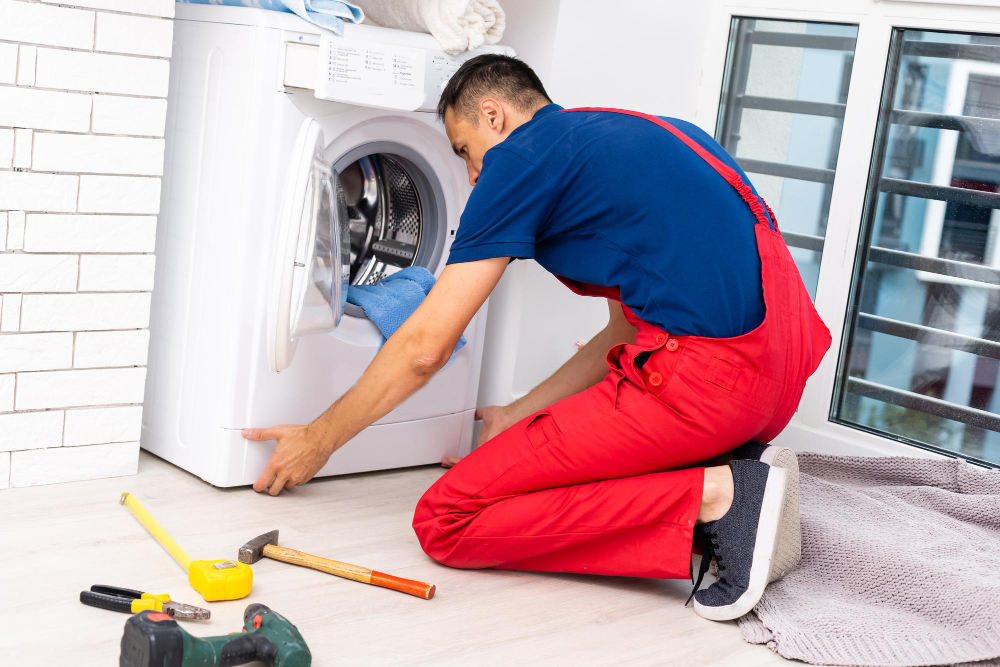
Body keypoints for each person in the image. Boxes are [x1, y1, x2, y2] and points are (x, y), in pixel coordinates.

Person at [243, 54, 831, 620]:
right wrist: (518, 415)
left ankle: (719, 497)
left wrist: (320, 439)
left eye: (466, 151)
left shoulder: (522, 159)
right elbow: (625, 333)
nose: (473, 175)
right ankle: (735, 478)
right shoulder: (651, 133)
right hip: (770, 388)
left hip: (707, 386)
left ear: (494, 115)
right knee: (541, 472)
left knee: (447, 519)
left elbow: (426, 346)